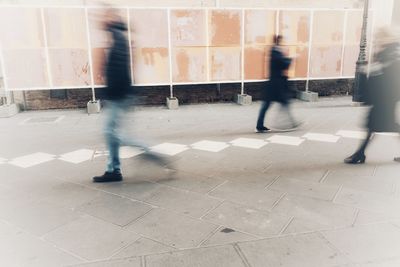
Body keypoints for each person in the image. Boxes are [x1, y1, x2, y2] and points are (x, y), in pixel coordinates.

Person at [93, 10, 163, 183]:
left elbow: (118, 69)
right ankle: (114, 170)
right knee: (112, 133)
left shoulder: (117, 37)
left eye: (103, 15)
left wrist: (111, 92)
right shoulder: (116, 36)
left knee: (110, 132)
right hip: (121, 93)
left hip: (119, 94)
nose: (99, 18)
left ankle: (147, 151)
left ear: (111, 19)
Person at [345, 27, 400, 164]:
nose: (376, 40)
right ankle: (360, 154)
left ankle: (359, 154)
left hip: (386, 99)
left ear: (385, 38)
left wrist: (375, 69)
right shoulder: (386, 52)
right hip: (382, 99)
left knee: (376, 126)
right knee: (380, 126)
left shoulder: (391, 53)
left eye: (378, 37)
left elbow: (391, 75)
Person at [256, 35, 299, 133]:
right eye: (282, 41)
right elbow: (284, 64)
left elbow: (282, 63)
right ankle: (292, 123)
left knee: (270, 105)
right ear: (279, 41)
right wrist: (292, 58)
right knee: (283, 103)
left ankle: (260, 125)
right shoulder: (275, 52)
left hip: (274, 84)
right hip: (276, 85)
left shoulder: (274, 51)